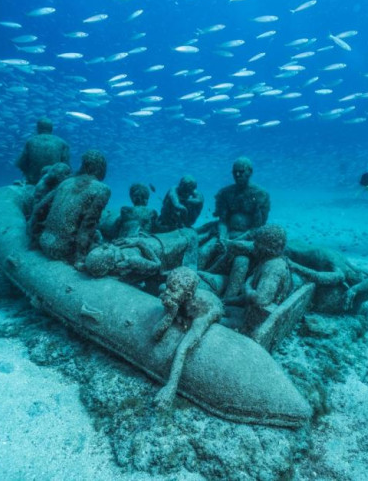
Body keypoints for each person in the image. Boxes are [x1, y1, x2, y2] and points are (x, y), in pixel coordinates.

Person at [152, 267, 223, 409]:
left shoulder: (202, 310)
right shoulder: (176, 296)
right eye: (168, 287)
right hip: (187, 303)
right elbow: (155, 335)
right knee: (161, 289)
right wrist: (172, 314)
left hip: (212, 308)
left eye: (172, 290)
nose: (167, 293)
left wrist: (171, 387)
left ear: (188, 294)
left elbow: (183, 348)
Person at [36, 150, 111, 265]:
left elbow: (39, 208)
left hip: (43, 241)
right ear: (101, 168)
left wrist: (33, 239)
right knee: (100, 240)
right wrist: (80, 258)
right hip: (64, 250)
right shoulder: (102, 189)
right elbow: (88, 225)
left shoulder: (65, 183)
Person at [199, 157, 270, 268]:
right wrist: (222, 238)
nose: (237, 175)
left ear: (250, 172)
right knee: (203, 252)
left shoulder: (260, 194)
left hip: (248, 238)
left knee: (239, 262)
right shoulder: (225, 193)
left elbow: (258, 227)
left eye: (241, 172)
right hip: (226, 233)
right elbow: (223, 221)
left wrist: (235, 241)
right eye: (234, 172)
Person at [82, 228, 199, 285]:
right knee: (191, 236)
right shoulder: (133, 260)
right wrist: (139, 242)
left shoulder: (114, 250)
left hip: (156, 241)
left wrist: (135, 241)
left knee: (189, 233)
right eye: (105, 248)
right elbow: (157, 265)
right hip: (165, 249)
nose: (106, 246)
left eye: (104, 247)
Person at [16, 118, 71, 184]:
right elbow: (66, 166)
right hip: (54, 182)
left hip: (33, 181)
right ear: (51, 128)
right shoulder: (62, 142)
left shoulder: (30, 141)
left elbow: (21, 164)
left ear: (38, 128)